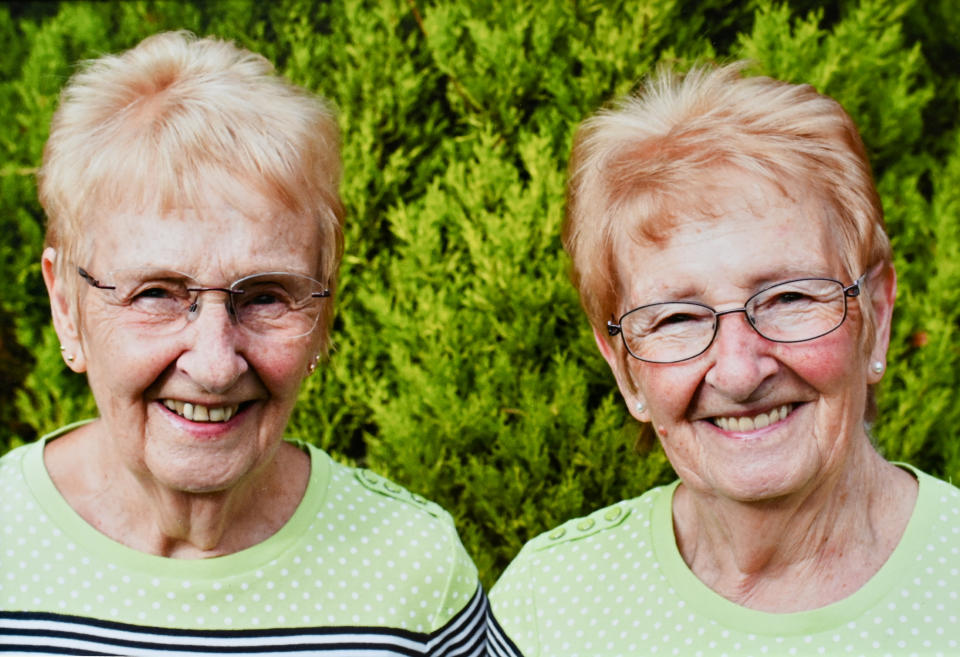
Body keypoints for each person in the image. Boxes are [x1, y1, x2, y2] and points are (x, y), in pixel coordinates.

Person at [0, 31, 487, 655]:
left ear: (325, 309)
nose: (214, 364)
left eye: (265, 296)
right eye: (156, 293)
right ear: (66, 306)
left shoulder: (411, 566)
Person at [488, 63, 960, 656]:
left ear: (878, 315)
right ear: (623, 367)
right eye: (677, 318)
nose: (739, 372)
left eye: (789, 297)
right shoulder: (551, 603)